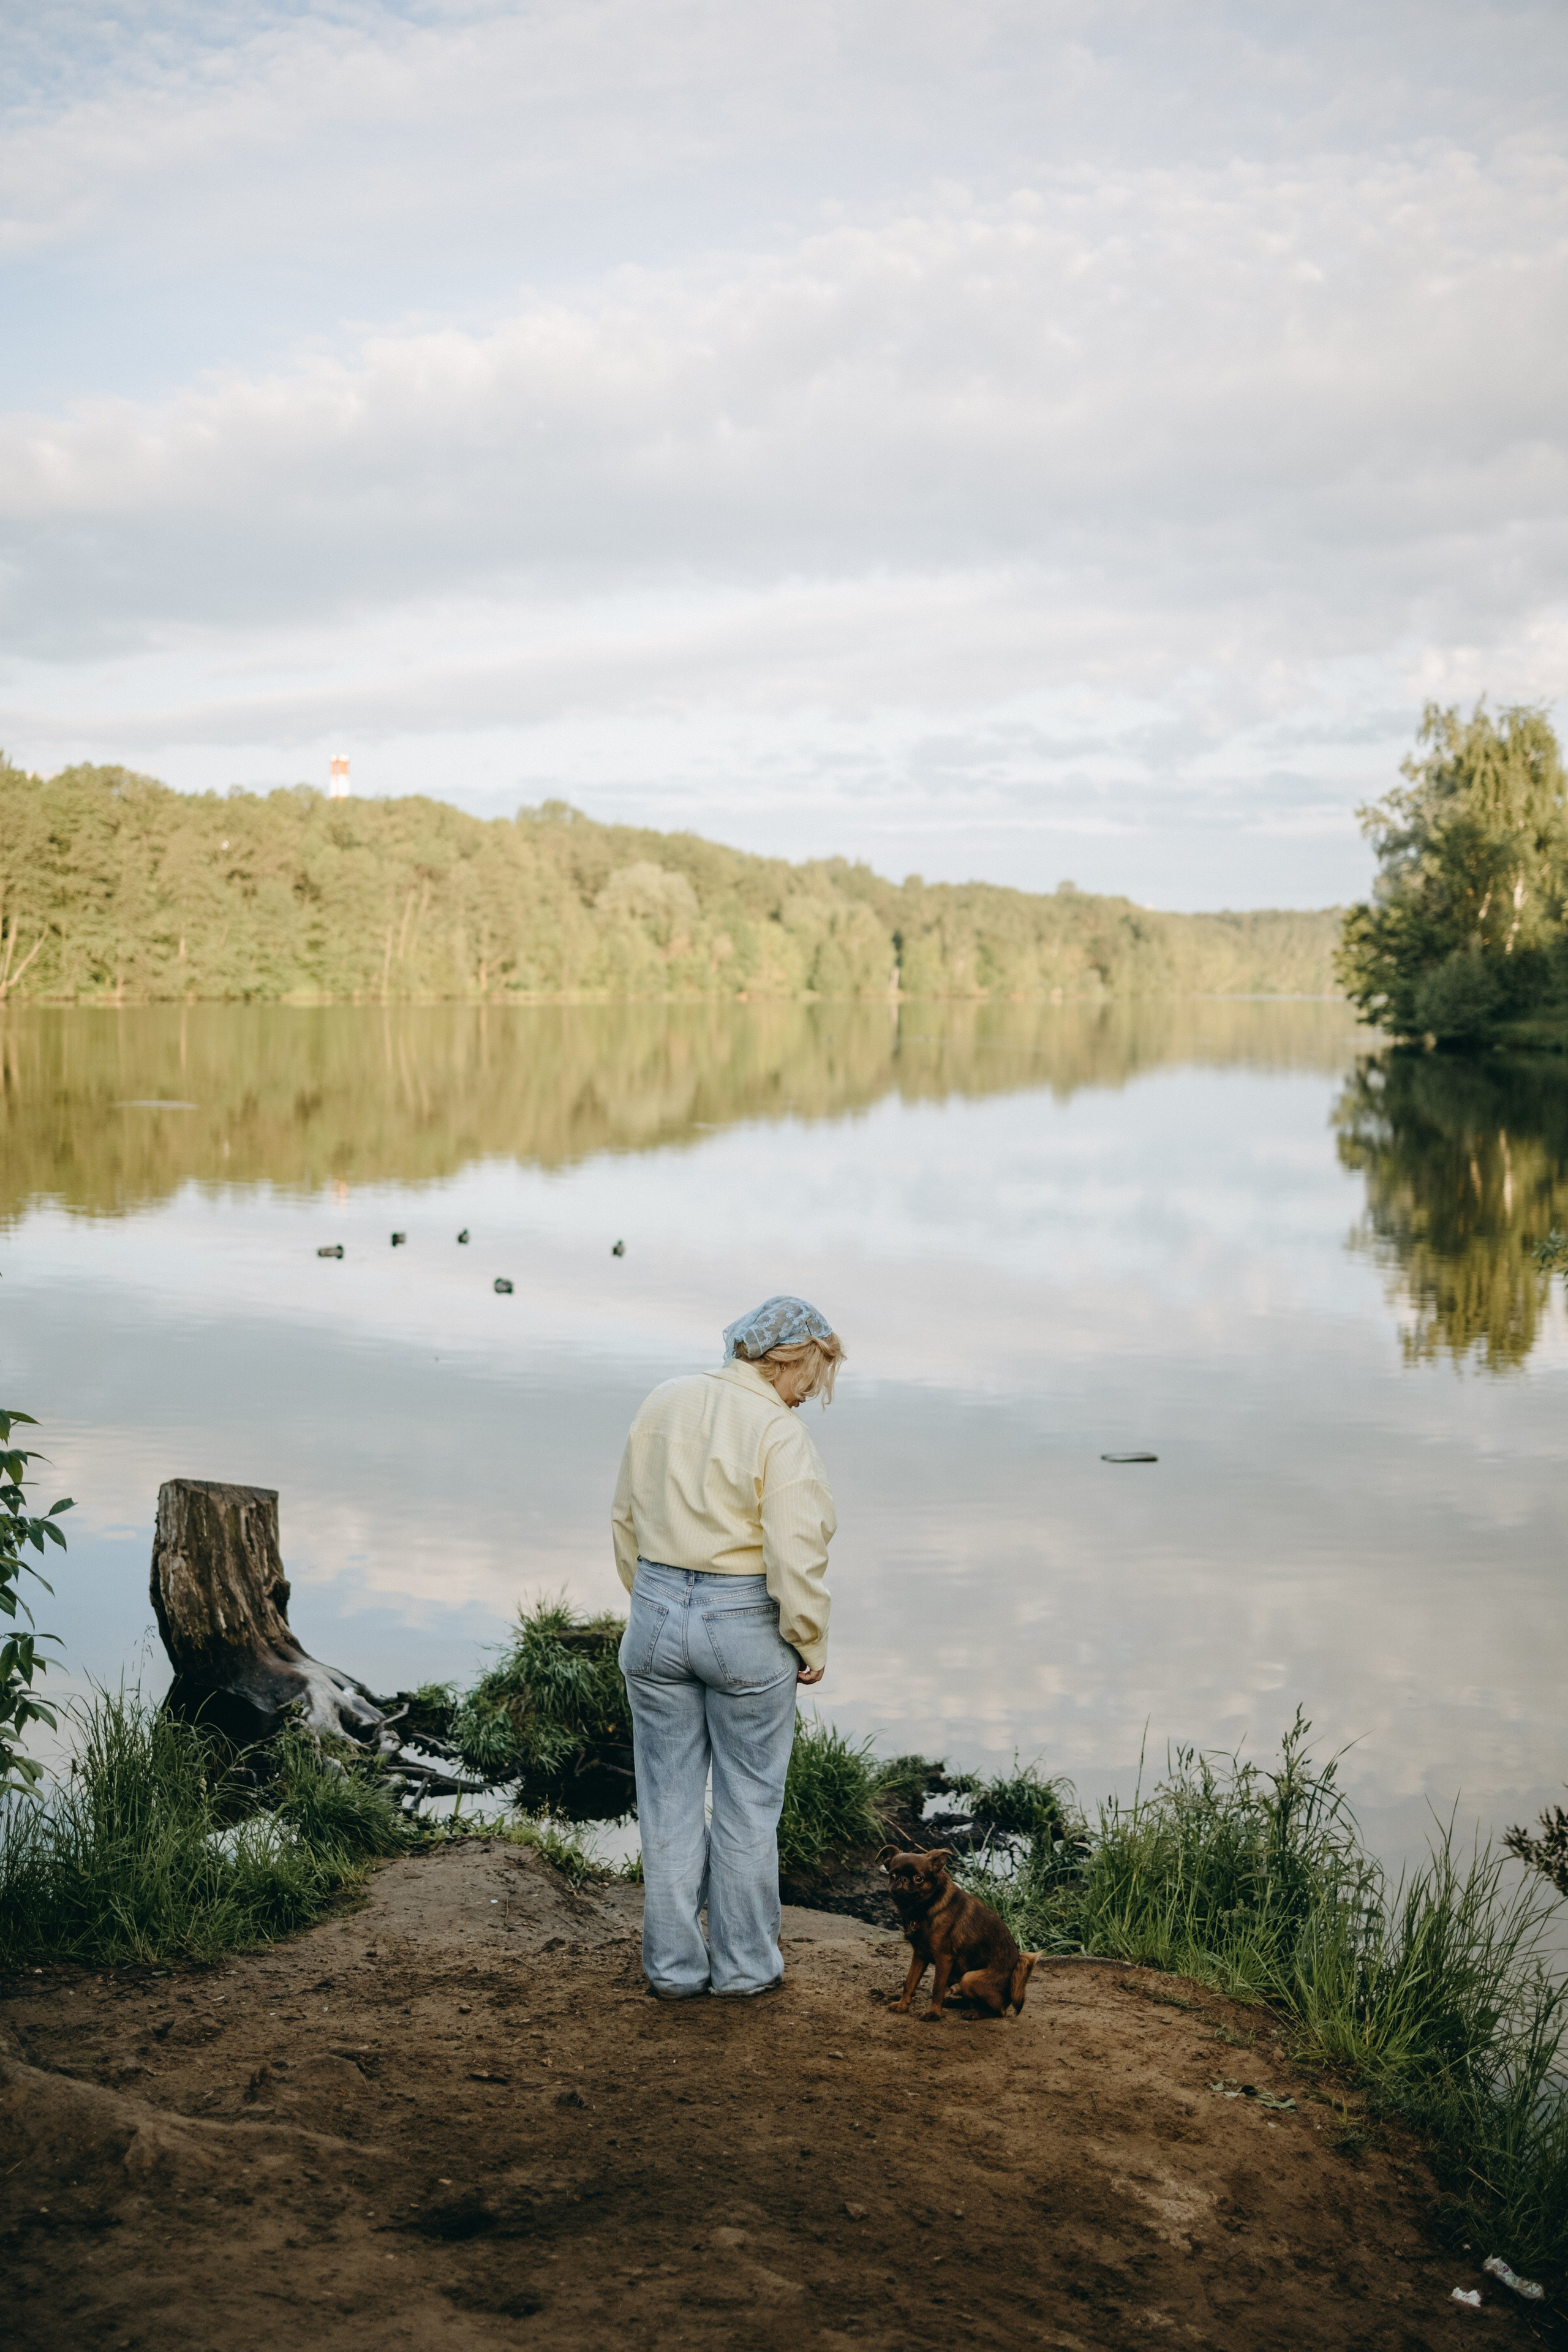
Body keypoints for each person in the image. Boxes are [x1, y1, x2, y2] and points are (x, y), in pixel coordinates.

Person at [611, 1295, 843, 2000]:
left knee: (668, 1800)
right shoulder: (778, 1432)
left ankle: (674, 1970)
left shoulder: (664, 1400)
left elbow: (625, 1516)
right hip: (742, 1621)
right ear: (788, 1360)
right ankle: (743, 1969)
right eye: (813, 1376)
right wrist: (807, 1638)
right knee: (747, 1803)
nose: (809, 1394)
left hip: (654, 1610)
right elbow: (794, 1550)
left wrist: (653, 1602)